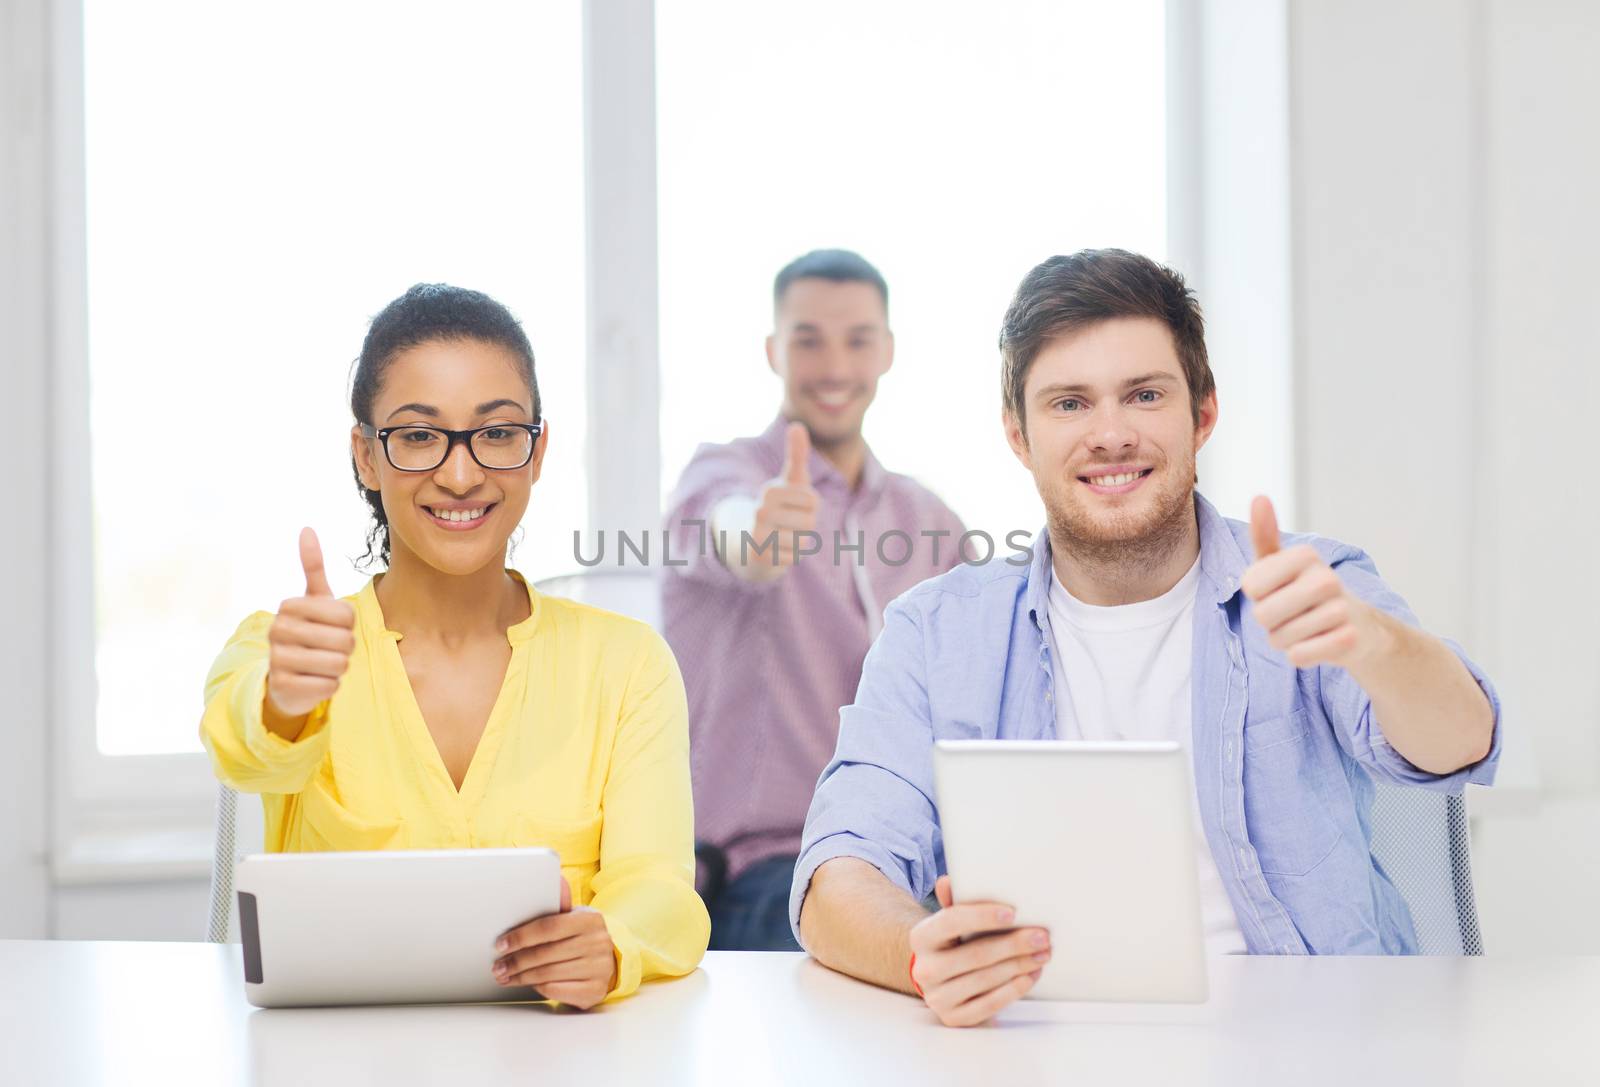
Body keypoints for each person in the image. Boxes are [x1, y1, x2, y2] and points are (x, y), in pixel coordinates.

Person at [791, 249, 1502, 1025]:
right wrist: (921, 954)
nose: (1110, 433)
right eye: (1069, 403)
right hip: (1037, 1042)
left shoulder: (1311, 583)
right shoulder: (937, 633)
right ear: (1018, 437)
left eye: (1144, 394)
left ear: (1202, 414)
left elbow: (1461, 738)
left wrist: (1376, 645)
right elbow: (837, 871)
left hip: (1307, 1041)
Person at [200, 284, 708, 1008]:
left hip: (560, 1056)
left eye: (497, 433)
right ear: (366, 457)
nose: (461, 472)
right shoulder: (287, 649)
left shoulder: (627, 665)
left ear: (537, 453)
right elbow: (241, 742)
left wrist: (614, 942)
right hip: (334, 1057)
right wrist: (283, 698)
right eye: (417, 435)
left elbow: (659, 889)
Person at [662, 249, 967, 950]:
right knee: (932, 963)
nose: (834, 366)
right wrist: (762, 536)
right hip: (766, 874)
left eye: (857, 339)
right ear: (774, 350)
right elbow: (732, 532)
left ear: (886, 351)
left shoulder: (930, 520)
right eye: (808, 340)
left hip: (910, 863)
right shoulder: (726, 473)